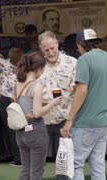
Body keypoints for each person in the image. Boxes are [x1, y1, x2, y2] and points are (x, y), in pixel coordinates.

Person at [61, 29, 107, 180]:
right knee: (97, 164)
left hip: (85, 122)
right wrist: (102, 84)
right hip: (104, 122)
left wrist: (69, 120)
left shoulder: (85, 59)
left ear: (79, 45)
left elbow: (82, 91)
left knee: (76, 164)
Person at [14, 51, 62, 180]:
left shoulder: (18, 83)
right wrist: (52, 103)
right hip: (35, 130)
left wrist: (40, 102)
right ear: (38, 68)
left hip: (20, 132)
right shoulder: (37, 85)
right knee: (36, 172)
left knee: (25, 169)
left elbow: (17, 103)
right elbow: (37, 113)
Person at [38, 31, 77, 159]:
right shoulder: (37, 65)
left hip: (65, 119)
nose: (50, 52)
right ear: (41, 49)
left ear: (57, 43)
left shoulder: (72, 63)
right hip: (43, 119)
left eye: (52, 48)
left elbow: (77, 90)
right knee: (39, 162)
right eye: (46, 50)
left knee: (65, 163)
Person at [0, 47, 24, 166]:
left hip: (6, 99)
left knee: (10, 129)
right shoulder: (23, 67)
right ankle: (24, 156)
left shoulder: (5, 64)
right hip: (20, 98)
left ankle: (18, 158)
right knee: (20, 128)